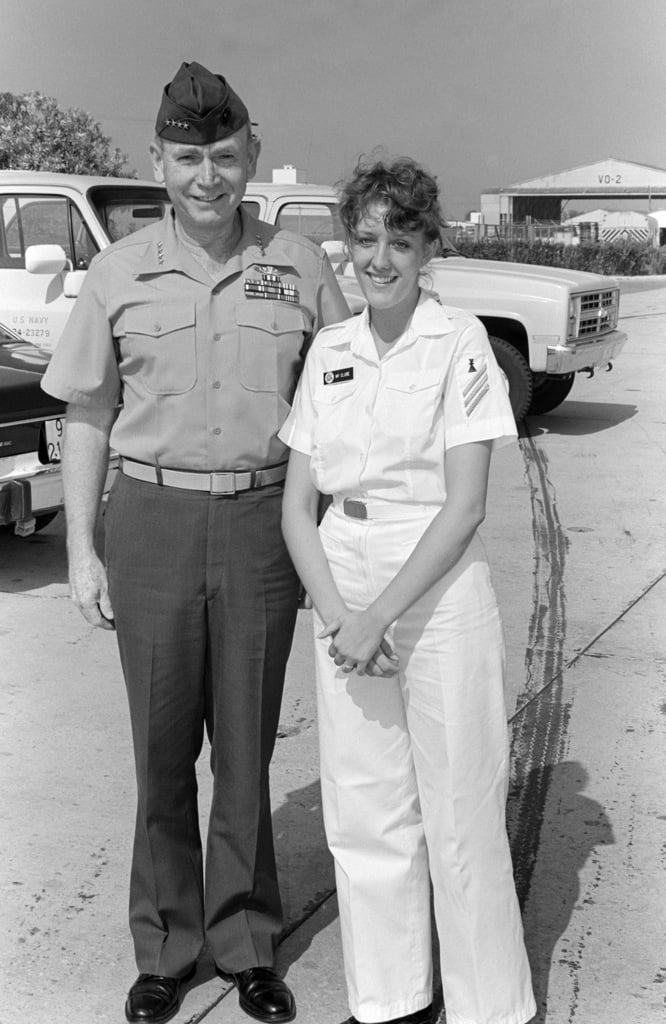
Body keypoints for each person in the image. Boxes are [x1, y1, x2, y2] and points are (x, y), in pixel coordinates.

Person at [41, 60, 349, 1024]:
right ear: (158, 161)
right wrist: (81, 550)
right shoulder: (118, 272)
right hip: (155, 521)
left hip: (264, 526)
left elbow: (344, 396)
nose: (206, 176)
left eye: (222, 154)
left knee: (248, 748)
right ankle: (168, 946)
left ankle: (248, 940)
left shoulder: (300, 266)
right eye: (186, 157)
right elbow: (87, 413)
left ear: (252, 152)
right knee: (162, 750)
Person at [279, 157, 536, 1024]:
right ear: (345, 246)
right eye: (363, 238)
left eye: (399, 238)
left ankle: (488, 1006)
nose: (379, 258)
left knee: (460, 811)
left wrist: (379, 615)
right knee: (364, 811)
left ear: (429, 245)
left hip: (434, 586)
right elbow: (295, 506)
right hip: (341, 575)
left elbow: (464, 507)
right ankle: (387, 998)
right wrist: (339, 612)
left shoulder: (459, 341)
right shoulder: (330, 349)